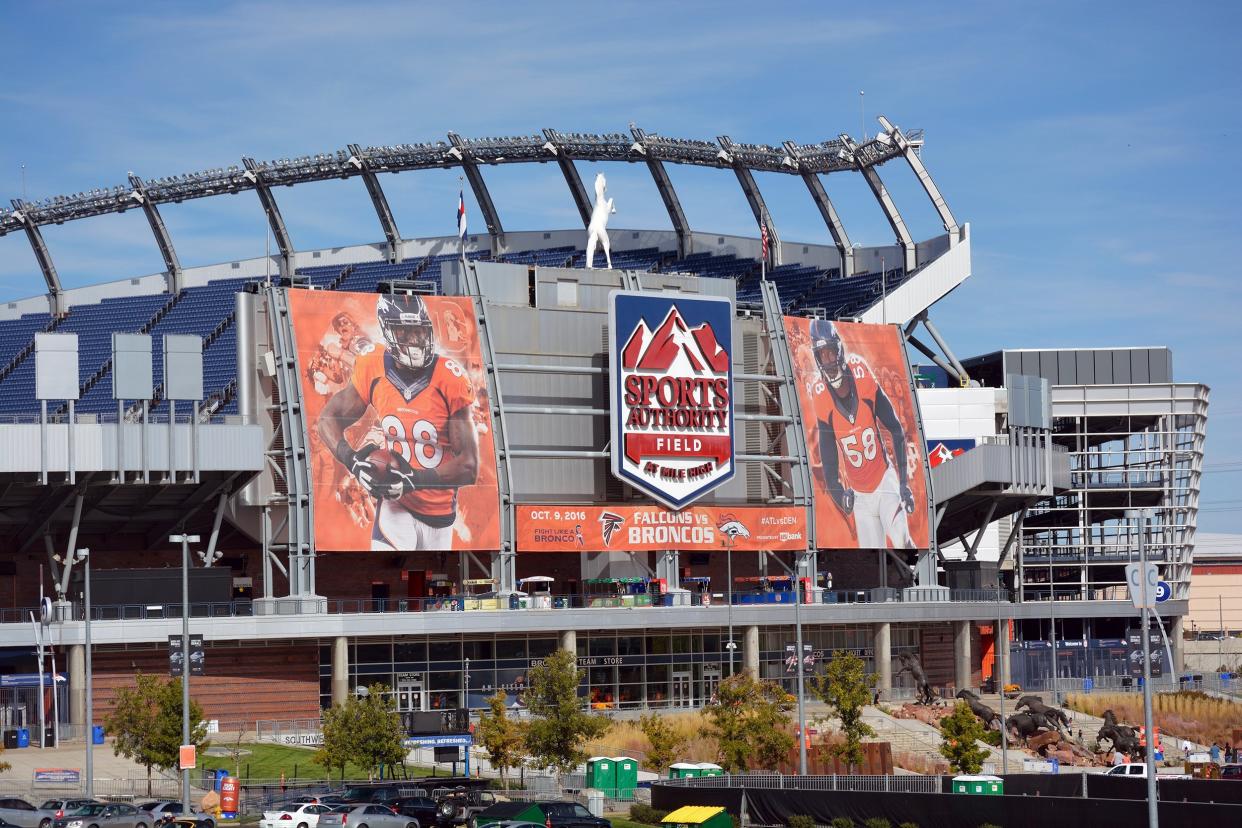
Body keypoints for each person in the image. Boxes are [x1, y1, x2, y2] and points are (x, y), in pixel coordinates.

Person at [318, 294, 479, 551]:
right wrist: (352, 460)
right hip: (396, 505)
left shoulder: (450, 376)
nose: (414, 339)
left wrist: (414, 478)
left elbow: (468, 467)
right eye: (404, 331)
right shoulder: (372, 365)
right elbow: (328, 418)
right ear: (388, 332)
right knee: (391, 576)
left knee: (436, 586)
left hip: (440, 513)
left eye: (418, 331)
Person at [807, 319, 916, 548]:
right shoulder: (821, 398)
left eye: (830, 352)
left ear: (840, 349)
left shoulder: (861, 375)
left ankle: (918, 582)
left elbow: (895, 428)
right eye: (822, 355)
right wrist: (840, 496)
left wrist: (904, 482)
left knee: (901, 539)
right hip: (860, 497)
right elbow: (829, 466)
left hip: (884, 481)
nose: (827, 360)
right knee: (870, 559)